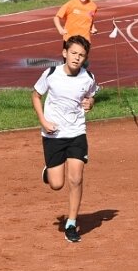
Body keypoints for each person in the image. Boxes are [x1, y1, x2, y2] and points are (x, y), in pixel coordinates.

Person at [31, 35, 98, 243]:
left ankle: (71, 223)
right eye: (74, 53)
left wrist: (90, 103)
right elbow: (35, 95)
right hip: (53, 135)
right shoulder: (51, 74)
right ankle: (49, 173)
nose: (77, 58)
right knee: (57, 184)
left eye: (81, 55)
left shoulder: (88, 78)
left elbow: (91, 95)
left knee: (76, 178)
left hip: (77, 133)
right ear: (64, 53)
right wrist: (43, 121)